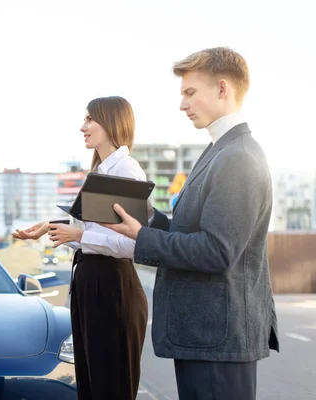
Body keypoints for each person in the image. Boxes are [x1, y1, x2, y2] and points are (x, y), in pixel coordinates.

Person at [101, 47, 279, 400]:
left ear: (223, 89)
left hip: (217, 340)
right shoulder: (219, 151)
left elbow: (216, 251)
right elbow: (195, 233)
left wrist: (143, 238)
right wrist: (148, 219)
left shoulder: (237, 157)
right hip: (207, 338)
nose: (182, 104)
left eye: (189, 92)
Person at [13, 96, 148, 400]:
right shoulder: (102, 171)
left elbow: (131, 244)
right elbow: (94, 234)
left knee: (110, 388)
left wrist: (79, 234)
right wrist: (52, 228)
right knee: (91, 386)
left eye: (90, 119)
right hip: (93, 285)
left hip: (113, 288)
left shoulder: (126, 169)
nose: (82, 127)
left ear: (112, 123)